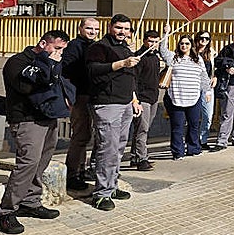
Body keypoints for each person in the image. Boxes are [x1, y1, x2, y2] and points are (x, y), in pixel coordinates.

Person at [0, 29, 72, 235]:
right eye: (56, 48)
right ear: (43, 43)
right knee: (28, 162)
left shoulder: (52, 62)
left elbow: (55, 84)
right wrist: (47, 64)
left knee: (41, 161)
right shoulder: (18, 62)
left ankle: (30, 200)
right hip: (26, 119)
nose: (59, 53)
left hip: (47, 117)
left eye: (62, 50)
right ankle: (6, 210)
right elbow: (27, 88)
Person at [85, 15, 142, 211]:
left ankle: (112, 186)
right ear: (110, 27)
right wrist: (121, 64)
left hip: (125, 103)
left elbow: (131, 77)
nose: (122, 32)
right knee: (107, 149)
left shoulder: (126, 47)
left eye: (126, 28)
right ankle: (101, 194)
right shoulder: (99, 47)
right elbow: (93, 70)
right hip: (107, 104)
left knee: (118, 149)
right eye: (118, 28)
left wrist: (134, 99)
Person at [160, 32, 212, 159]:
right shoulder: (173, 58)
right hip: (176, 98)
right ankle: (178, 152)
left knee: (194, 125)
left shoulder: (198, 59)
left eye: (187, 43)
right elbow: (162, 50)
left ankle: (193, 148)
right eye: (182, 43)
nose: (184, 46)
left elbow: (204, 76)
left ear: (191, 45)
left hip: (194, 97)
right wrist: (165, 34)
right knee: (177, 127)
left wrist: (207, 91)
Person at [62, 17, 100, 191]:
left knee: (88, 136)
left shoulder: (95, 46)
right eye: (89, 28)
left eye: (96, 29)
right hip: (80, 97)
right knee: (80, 136)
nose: (92, 32)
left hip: (93, 95)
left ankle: (81, 170)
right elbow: (67, 71)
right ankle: (72, 174)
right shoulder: (75, 47)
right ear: (80, 29)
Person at [128, 29, 163, 171]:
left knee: (143, 128)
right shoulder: (139, 57)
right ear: (144, 41)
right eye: (151, 41)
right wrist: (136, 99)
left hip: (153, 97)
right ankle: (142, 158)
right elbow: (134, 80)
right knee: (142, 128)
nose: (153, 44)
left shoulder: (155, 57)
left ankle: (135, 156)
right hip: (142, 98)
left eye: (156, 42)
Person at [194, 29, 217, 149]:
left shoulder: (211, 53)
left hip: (208, 87)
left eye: (207, 39)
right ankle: (193, 141)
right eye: (202, 38)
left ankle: (203, 139)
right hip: (193, 86)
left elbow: (214, 69)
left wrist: (215, 77)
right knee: (194, 116)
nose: (204, 41)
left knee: (208, 115)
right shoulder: (191, 53)